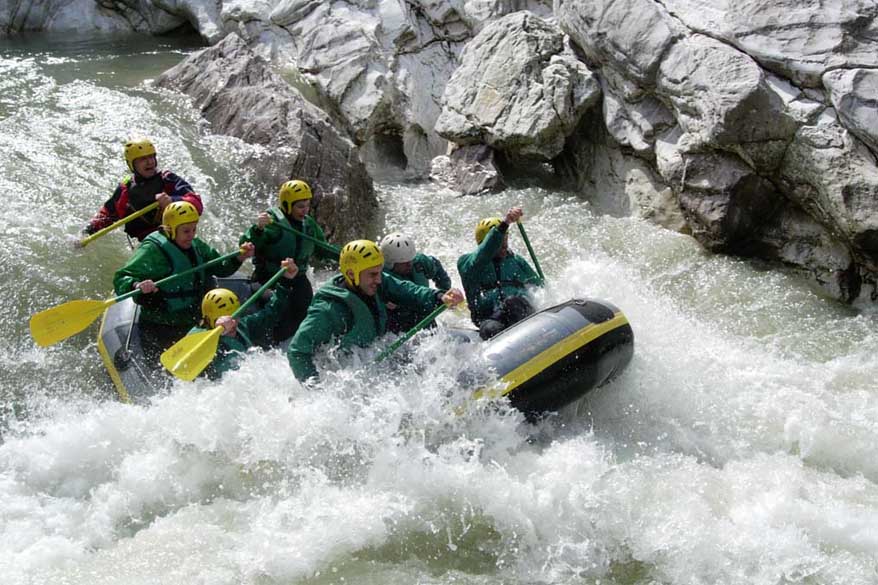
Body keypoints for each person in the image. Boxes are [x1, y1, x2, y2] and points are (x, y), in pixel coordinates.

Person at [287, 240, 464, 382]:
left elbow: (407, 290)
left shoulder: (372, 280)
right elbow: (296, 351)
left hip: (374, 351)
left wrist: (439, 296)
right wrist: (317, 388)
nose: (379, 280)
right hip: (347, 371)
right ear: (351, 274)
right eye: (373, 274)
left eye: (379, 273)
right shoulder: (328, 310)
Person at [113, 201, 255, 362]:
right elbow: (121, 278)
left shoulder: (196, 245)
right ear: (170, 230)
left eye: (194, 229)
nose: (192, 235)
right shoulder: (152, 251)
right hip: (162, 323)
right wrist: (137, 285)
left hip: (194, 320)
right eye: (186, 231)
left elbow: (220, 268)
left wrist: (239, 258)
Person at [239, 180, 335, 344]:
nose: (305, 210)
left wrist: (347, 255)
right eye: (300, 206)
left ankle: (300, 344)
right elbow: (249, 243)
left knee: (305, 309)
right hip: (269, 279)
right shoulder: (273, 223)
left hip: (297, 279)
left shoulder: (309, 225)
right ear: (287, 205)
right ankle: (268, 343)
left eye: (307, 205)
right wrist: (258, 229)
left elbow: (323, 249)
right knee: (277, 308)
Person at [191, 258, 299, 379]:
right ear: (210, 319)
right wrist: (217, 332)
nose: (233, 323)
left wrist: (286, 281)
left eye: (235, 316)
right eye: (227, 319)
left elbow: (271, 313)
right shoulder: (198, 336)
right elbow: (190, 353)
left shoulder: (242, 325)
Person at [82, 137, 203, 243]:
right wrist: (87, 232)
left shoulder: (167, 179)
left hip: (174, 235)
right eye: (142, 159)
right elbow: (107, 215)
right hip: (146, 242)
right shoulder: (126, 189)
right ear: (132, 164)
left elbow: (197, 203)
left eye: (151, 157)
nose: (150, 162)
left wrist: (172, 200)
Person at [457, 206, 543, 340]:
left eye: (506, 239)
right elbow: (484, 252)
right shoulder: (468, 264)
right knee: (489, 329)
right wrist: (505, 223)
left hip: (521, 310)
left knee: (512, 302)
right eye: (500, 241)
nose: (504, 245)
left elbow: (539, 287)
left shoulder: (516, 261)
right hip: (491, 319)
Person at [379, 232, 452, 333]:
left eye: (410, 260)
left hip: (423, 311)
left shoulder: (420, 262)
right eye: (404, 263)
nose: (410, 264)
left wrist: (445, 292)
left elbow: (438, 271)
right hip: (397, 319)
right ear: (390, 264)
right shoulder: (380, 277)